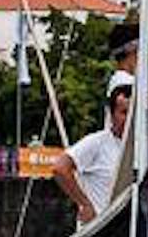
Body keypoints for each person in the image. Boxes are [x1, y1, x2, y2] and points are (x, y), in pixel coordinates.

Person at [51, 69, 135, 224]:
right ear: (112, 113)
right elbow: (60, 168)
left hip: (126, 231)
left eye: (132, 113)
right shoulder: (98, 142)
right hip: (98, 231)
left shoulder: (140, 148)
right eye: (123, 112)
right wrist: (84, 204)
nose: (128, 118)